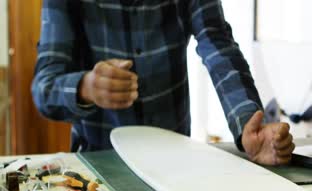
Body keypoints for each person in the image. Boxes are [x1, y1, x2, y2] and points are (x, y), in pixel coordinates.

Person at [32, 0, 295, 166]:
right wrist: (86, 87)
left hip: (175, 164)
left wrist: (248, 123)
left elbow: (218, 46)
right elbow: (44, 87)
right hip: (98, 165)